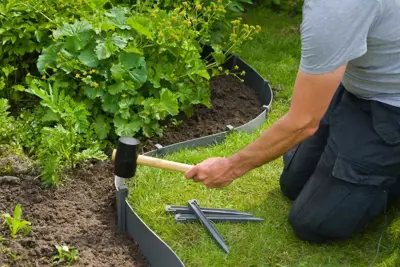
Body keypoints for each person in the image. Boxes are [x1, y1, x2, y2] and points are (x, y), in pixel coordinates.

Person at [184, 0, 400, 243]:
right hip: (356, 90)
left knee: (314, 224)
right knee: (293, 184)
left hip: (391, 107)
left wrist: (231, 167)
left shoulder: (335, 8)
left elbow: (303, 122)